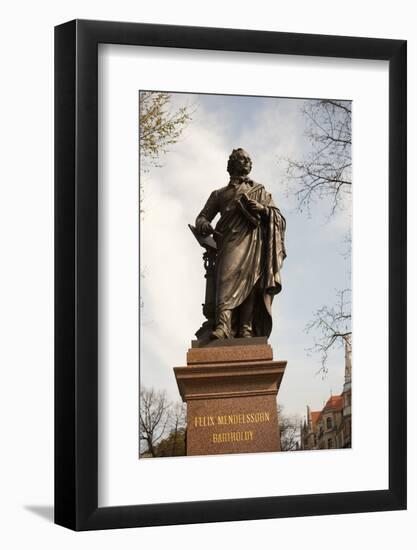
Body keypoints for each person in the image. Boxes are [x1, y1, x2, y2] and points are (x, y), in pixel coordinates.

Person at [195, 148, 286, 339]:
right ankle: (223, 326)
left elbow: (279, 218)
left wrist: (263, 209)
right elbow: (203, 217)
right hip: (228, 243)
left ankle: (246, 328)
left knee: (251, 283)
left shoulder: (260, 191)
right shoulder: (219, 194)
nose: (246, 162)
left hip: (253, 243)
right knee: (225, 281)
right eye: (241, 159)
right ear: (232, 164)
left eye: (248, 159)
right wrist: (203, 225)